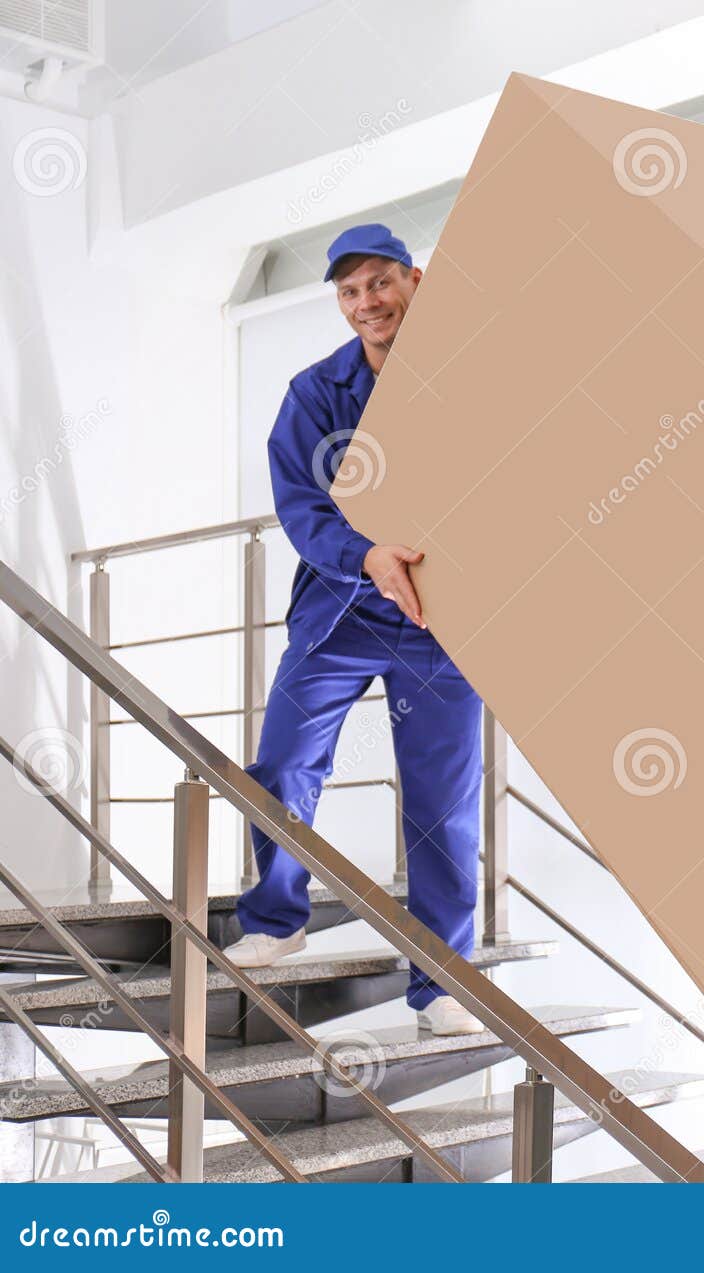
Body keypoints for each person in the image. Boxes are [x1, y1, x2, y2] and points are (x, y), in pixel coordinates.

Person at [222, 224, 486, 1037]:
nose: (365, 302)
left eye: (378, 283)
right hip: (341, 605)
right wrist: (365, 554)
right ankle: (275, 918)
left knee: (444, 801)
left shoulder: (467, 376)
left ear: (415, 279)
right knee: (283, 761)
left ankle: (442, 983)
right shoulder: (315, 392)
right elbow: (301, 508)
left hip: (441, 617)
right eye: (348, 292)